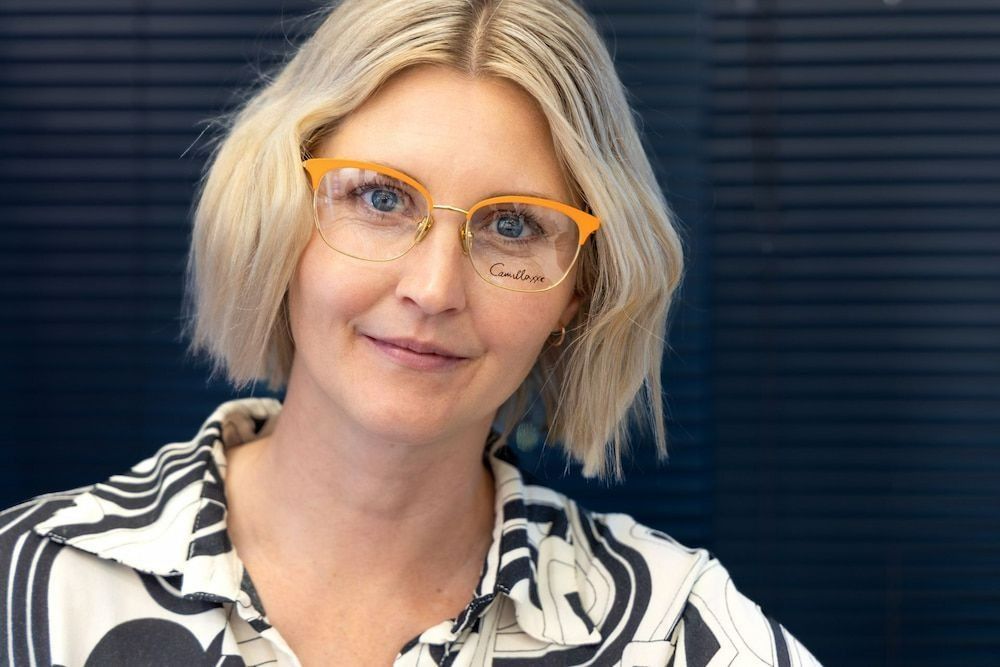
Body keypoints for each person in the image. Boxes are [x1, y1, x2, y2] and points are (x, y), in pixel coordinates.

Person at [1, 0, 824, 665]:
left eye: (511, 225)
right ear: (280, 219)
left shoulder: (674, 633)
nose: (433, 289)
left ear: (581, 288)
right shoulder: (30, 589)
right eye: (382, 199)